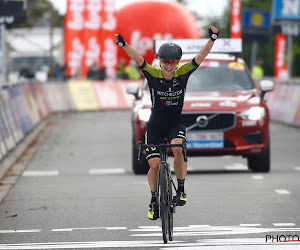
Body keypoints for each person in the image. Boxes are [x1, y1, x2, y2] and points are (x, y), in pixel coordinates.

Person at [114, 25, 219, 220]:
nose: (169, 66)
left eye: (172, 62)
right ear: (160, 62)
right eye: (165, 61)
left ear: (177, 63)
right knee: (154, 165)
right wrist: (123, 44)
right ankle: (154, 200)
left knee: (178, 149)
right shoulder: (153, 74)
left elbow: (201, 56)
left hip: (175, 123)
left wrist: (212, 38)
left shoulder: (183, 73)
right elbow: (138, 59)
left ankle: (181, 189)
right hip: (155, 124)